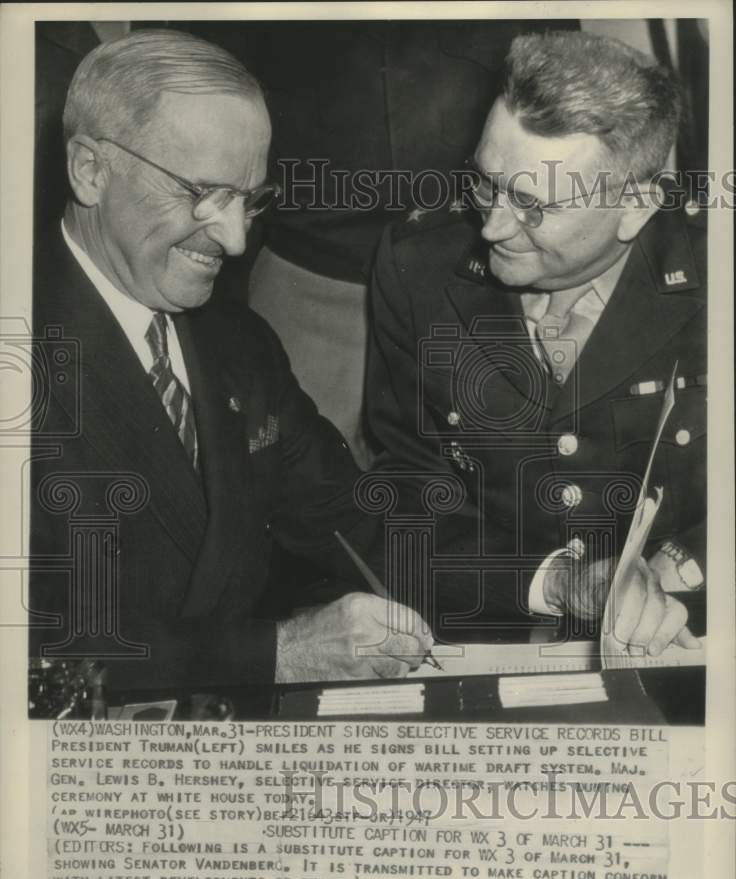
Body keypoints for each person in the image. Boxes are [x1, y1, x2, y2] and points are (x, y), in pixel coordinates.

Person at [30, 29, 431, 703]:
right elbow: (30, 649)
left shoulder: (237, 340)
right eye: (205, 193)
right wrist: (280, 653)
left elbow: (357, 518)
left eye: (250, 200)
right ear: (89, 170)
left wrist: (552, 577)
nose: (238, 238)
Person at [367, 31, 706, 656]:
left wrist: (671, 572)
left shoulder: (716, 283)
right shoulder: (417, 267)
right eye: (485, 183)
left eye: (531, 206)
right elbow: (408, 487)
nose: (492, 226)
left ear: (635, 206)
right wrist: (554, 582)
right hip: (491, 621)